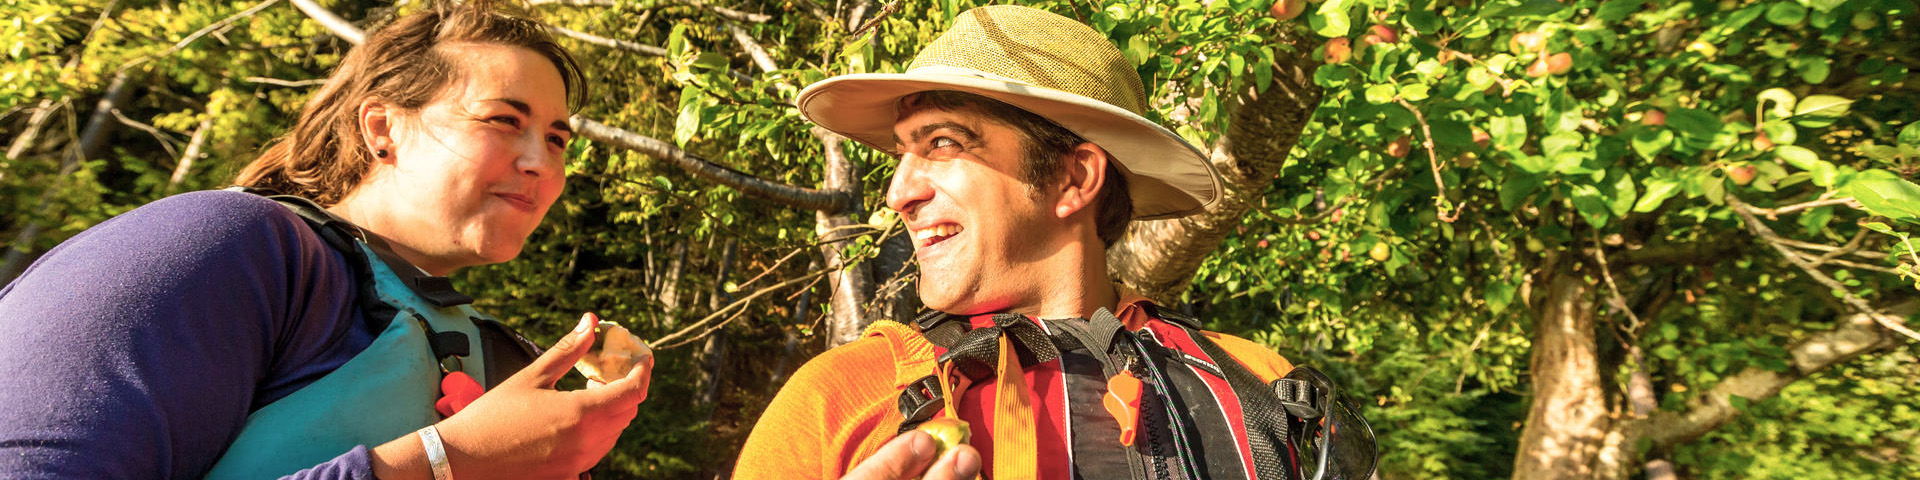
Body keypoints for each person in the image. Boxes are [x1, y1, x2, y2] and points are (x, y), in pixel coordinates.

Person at [0, 1, 653, 479]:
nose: (542, 161)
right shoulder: (228, 249)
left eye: (559, 139)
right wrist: (442, 462)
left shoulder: (509, 359)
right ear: (382, 129)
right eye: (504, 121)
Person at [737, 5, 1373, 480]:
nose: (898, 192)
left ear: (1075, 178)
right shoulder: (839, 400)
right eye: (902, 153)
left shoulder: (1272, 392)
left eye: (943, 143)